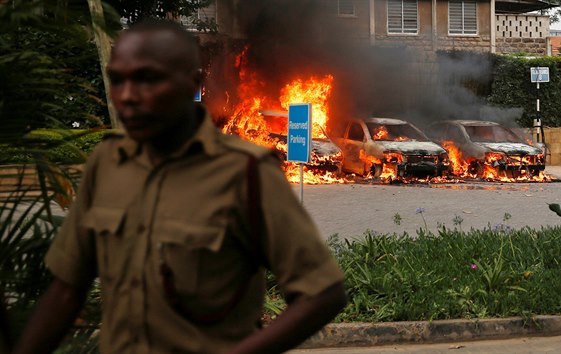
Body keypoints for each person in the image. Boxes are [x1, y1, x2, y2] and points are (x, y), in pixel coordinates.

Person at [14, 20, 347, 354]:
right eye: (118, 80)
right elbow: (67, 290)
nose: (127, 96)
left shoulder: (246, 171)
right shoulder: (106, 163)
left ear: (193, 83)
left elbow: (323, 293)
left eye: (147, 79)